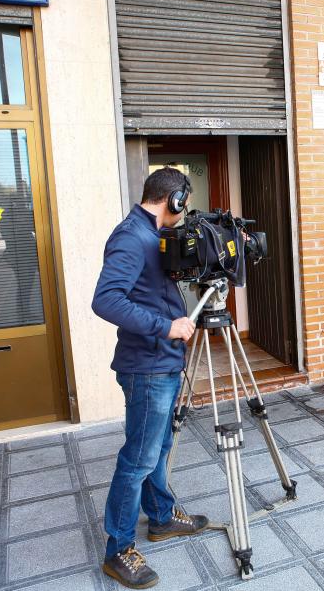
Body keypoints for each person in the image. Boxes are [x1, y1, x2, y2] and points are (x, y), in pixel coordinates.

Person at [92, 167, 208, 589]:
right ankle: (118, 549)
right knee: (138, 458)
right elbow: (106, 300)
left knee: (158, 447)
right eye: (185, 204)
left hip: (163, 362)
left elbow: (147, 291)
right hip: (147, 366)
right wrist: (167, 327)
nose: (185, 211)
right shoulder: (131, 237)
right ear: (174, 200)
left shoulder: (151, 235)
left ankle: (160, 517)